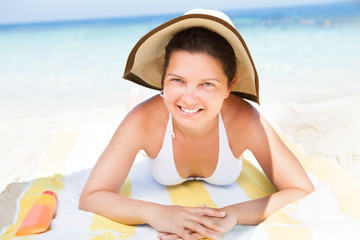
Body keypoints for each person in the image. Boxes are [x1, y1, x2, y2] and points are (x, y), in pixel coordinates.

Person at [79, 9, 314, 240]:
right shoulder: (142, 120)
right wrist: (156, 212)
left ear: (229, 86)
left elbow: (302, 190)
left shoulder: (245, 120)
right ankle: (133, 101)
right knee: (137, 109)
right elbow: (92, 196)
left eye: (207, 84)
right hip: (154, 117)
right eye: (177, 80)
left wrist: (232, 214)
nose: (189, 97)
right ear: (163, 76)